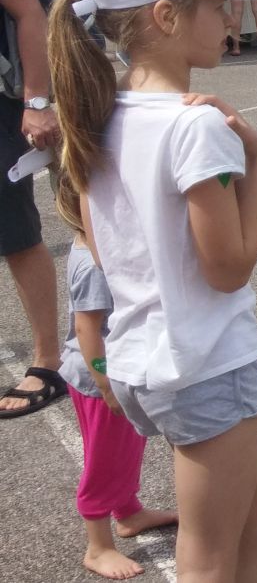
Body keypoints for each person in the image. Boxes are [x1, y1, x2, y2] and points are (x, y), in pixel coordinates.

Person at [48, 0, 257, 580]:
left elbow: (101, 250)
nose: (230, 17)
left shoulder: (100, 112)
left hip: (145, 358)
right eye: (216, 4)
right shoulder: (196, 123)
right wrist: (256, 163)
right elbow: (229, 268)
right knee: (207, 557)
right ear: (166, 16)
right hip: (204, 360)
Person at [59, 236, 177, 579]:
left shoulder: (93, 247)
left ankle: (128, 512)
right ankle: (98, 547)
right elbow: (86, 327)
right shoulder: (93, 265)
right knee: (106, 460)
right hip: (102, 380)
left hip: (113, 373)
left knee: (124, 450)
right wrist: (105, 384)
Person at [0, 0, 66, 420]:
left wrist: (37, 102)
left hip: (8, 97)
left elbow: (28, 12)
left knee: (15, 231)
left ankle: (49, 361)